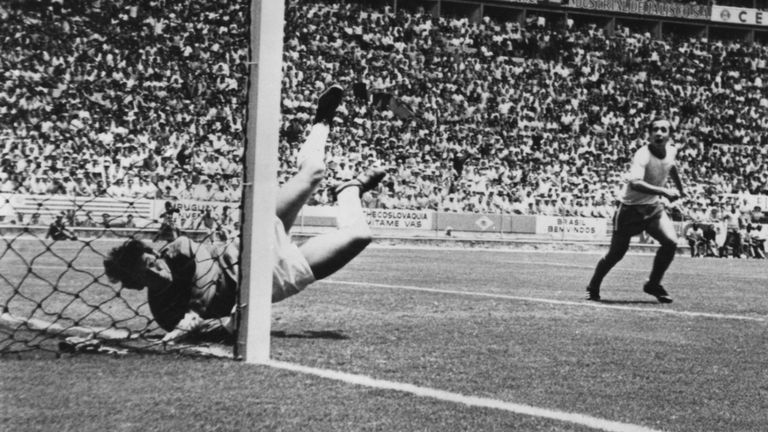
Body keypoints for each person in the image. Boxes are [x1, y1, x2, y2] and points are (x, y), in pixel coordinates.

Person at [103, 85, 387, 341]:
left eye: (151, 262)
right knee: (360, 236)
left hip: (249, 242)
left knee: (314, 171)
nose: (155, 270)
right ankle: (349, 191)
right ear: (136, 285)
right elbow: (220, 329)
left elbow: (204, 264)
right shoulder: (165, 313)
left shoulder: (175, 251)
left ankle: (322, 121)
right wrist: (215, 326)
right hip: (270, 278)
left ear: (153, 254)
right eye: (146, 274)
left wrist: (195, 312)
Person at [585, 117, 685, 303]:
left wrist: (681, 188)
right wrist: (664, 191)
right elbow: (635, 183)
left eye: (663, 130)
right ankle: (593, 285)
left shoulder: (671, 151)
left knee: (671, 242)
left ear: (670, 135)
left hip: (653, 208)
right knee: (616, 254)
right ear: (649, 134)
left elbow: (671, 166)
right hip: (630, 210)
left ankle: (653, 284)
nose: (659, 133)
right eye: (655, 130)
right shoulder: (642, 155)